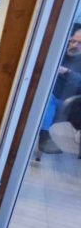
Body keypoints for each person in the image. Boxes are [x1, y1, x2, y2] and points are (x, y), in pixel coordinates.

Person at [38, 23, 81, 154]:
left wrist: (67, 72)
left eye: (79, 43)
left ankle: (44, 137)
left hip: (71, 102)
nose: (74, 45)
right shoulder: (58, 53)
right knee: (47, 97)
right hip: (49, 94)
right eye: (73, 41)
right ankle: (44, 137)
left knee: (47, 99)